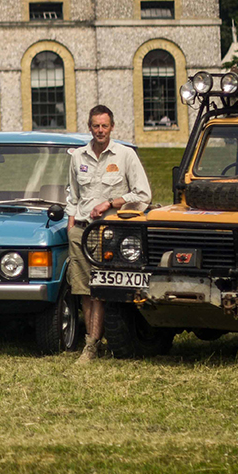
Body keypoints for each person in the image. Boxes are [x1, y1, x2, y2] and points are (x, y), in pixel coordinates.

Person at [67, 105, 151, 363]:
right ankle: (93, 340)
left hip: (108, 232)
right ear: (89, 127)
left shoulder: (125, 155)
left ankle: (91, 345)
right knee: (83, 290)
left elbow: (143, 195)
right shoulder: (77, 156)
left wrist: (111, 203)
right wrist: (70, 223)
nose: (100, 130)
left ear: (112, 127)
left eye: (104, 126)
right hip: (80, 230)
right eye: (96, 126)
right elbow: (72, 193)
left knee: (100, 290)